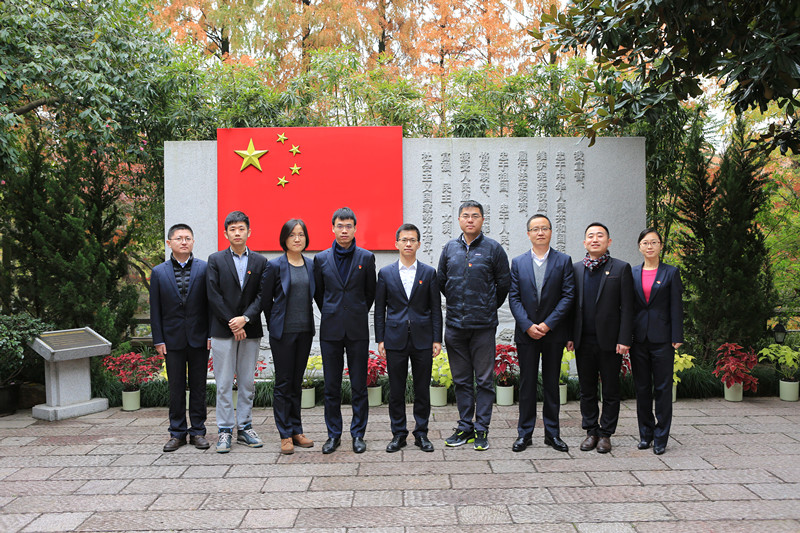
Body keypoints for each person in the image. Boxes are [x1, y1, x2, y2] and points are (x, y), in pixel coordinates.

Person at [438, 199, 510, 451]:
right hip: (455, 326)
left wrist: (486, 305)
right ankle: (465, 427)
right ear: (459, 219)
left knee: (484, 380)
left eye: (475, 216)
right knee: (461, 380)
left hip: (483, 326)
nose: (470, 220)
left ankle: (482, 428)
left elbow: (504, 284)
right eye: (466, 215)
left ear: (482, 220)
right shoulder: (449, 248)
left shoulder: (493, 249)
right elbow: (442, 281)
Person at [508, 214, 574, 453]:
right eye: (535, 229)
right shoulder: (518, 262)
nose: (540, 233)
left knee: (551, 384)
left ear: (550, 232)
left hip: (553, 333)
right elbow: (514, 297)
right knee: (527, 384)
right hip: (526, 334)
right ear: (528, 234)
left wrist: (548, 324)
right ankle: (524, 434)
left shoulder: (563, 261)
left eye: (544, 228)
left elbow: (568, 296)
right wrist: (527, 325)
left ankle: (552, 434)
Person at [375, 223, 443, 453]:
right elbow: (380, 310)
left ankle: (421, 433)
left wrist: (437, 338)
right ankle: (398, 434)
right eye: (404, 240)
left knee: (422, 389)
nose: (408, 244)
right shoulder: (386, 273)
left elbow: (436, 308)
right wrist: (380, 339)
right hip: (395, 339)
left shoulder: (428, 273)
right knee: (396, 390)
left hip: (423, 339)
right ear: (396, 244)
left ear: (419, 244)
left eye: (412, 240)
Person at [313, 207, 376, 454]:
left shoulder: (366, 258)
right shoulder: (321, 259)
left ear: (355, 228)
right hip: (331, 330)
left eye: (348, 226)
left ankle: (358, 434)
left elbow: (370, 293)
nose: (344, 230)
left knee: (359, 385)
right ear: (333, 228)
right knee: (331, 386)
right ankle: (333, 434)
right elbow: (319, 294)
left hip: (357, 329)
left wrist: (355, 311)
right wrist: (333, 311)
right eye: (340, 226)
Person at [567, 222, 634, 454]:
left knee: (611, 390)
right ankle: (591, 431)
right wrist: (570, 336)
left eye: (600, 236)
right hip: (583, 340)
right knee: (586, 390)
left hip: (611, 342)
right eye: (591, 236)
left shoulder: (621, 268)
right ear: (584, 242)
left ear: (609, 241)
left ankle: (606, 433)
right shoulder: (575, 269)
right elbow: (571, 306)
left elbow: (628, 308)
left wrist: (625, 339)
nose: (595, 239)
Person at [207, 211, 267, 453]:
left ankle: (244, 427)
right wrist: (233, 322)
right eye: (232, 229)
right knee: (223, 383)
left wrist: (245, 319)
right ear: (226, 234)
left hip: (250, 329)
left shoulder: (260, 262)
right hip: (223, 330)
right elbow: (213, 294)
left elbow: (262, 295)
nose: (237, 233)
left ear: (249, 232)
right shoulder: (215, 260)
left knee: (247, 382)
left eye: (241, 229)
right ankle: (224, 429)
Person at [150, 223, 211, 452]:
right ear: (169, 243)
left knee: (199, 387)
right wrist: (159, 340)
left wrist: (210, 334)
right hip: (171, 340)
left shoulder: (204, 269)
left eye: (187, 238)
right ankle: (177, 433)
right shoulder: (159, 272)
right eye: (179, 238)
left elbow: (210, 305)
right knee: (175, 388)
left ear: (193, 242)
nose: (183, 242)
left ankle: (198, 432)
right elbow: (155, 309)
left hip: (199, 338)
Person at [261, 219, 316, 455]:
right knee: (283, 383)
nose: (297, 239)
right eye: (292, 235)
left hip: (304, 331)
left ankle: (297, 430)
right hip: (283, 333)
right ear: (284, 238)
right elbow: (265, 301)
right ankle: (284, 434)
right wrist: (275, 323)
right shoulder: (275, 265)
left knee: (296, 382)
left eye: (301, 234)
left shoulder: (311, 265)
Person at [631, 228, 683, 455]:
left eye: (654, 242)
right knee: (642, 388)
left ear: (661, 246)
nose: (649, 246)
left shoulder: (671, 272)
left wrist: (677, 336)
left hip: (663, 339)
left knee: (662, 389)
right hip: (638, 339)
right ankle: (646, 435)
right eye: (645, 242)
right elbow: (629, 307)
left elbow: (676, 306)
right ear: (639, 247)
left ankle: (661, 437)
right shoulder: (632, 273)